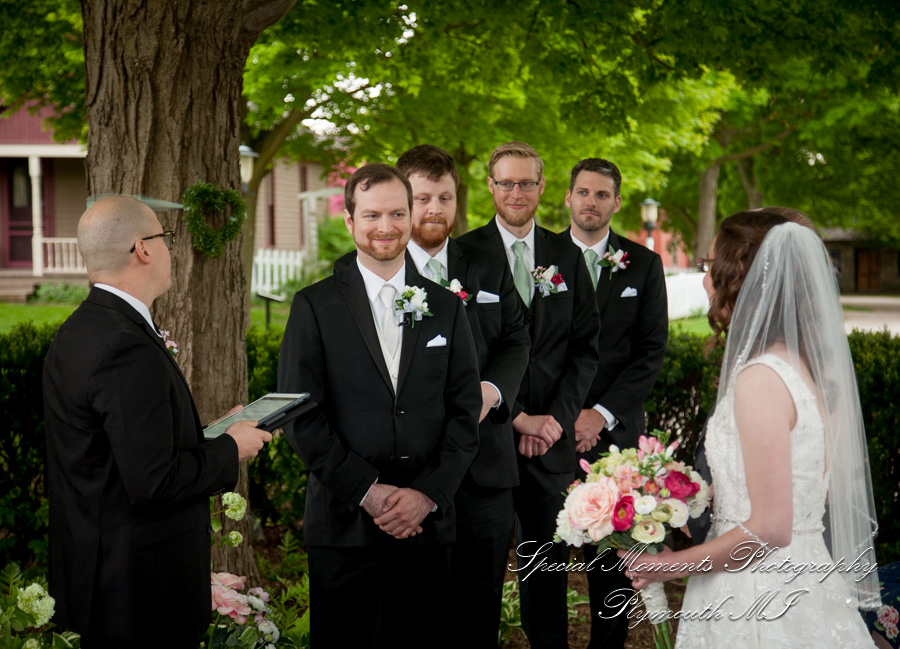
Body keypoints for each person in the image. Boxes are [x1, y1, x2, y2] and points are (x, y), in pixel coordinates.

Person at [621, 209, 881, 647]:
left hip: (757, 593)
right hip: (807, 577)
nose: (704, 278)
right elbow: (815, 494)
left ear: (737, 276)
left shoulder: (761, 377)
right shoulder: (811, 367)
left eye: (709, 266)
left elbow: (771, 528)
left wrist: (670, 565)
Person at [43, 196, 272, 649]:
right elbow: (153, 481)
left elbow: (118, 450)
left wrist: (213, 433)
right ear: (142, 249)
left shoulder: (81, 330)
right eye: (166, 239)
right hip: (137, 595)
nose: (170, 249)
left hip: (99, 573)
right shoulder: (123, 346)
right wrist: (232, 449)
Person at [277, 163, 481, 649]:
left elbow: (464, 412)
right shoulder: (313, 306)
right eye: (371, 215)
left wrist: (427, 495)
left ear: (411, 218)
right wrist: (367, 491)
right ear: (349, 221)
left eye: (396, 213)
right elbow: (300, 416)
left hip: (426, 529)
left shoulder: (448, 307)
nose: (385, 227)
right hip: (344, 526)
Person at [459, 141, 600, 648]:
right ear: (491, 188)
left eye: (526, 183)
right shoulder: (463, 255)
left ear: (543, 188)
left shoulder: (568, 255)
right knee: (479, 576)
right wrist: (518, 418)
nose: (516, 192)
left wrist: (553, 421)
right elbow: (462, 357)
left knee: (549, 572)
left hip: (551, 444)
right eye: (506, 183)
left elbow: (585, 348)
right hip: (488, 440)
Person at [395, 144, 530, 647]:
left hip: (486, 474)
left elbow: (517, 338)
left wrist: (491, 392)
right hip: (413, 475)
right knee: (415, 615)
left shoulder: (488, 264)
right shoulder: (379, 272)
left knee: (479, 615)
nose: (435, 210)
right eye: (423, 198)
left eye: (445, 197)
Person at [564, 158, 668, 648]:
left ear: (617, 203)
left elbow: (650, 351)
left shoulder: (643, 264)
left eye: (602, 194)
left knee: (612, 569)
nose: (591, 202)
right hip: (546, 437)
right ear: (567, 197)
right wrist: (565, 417)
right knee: (541, 562)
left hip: (616, 440)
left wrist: (599, 414)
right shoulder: (538, 259)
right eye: (583, 192)